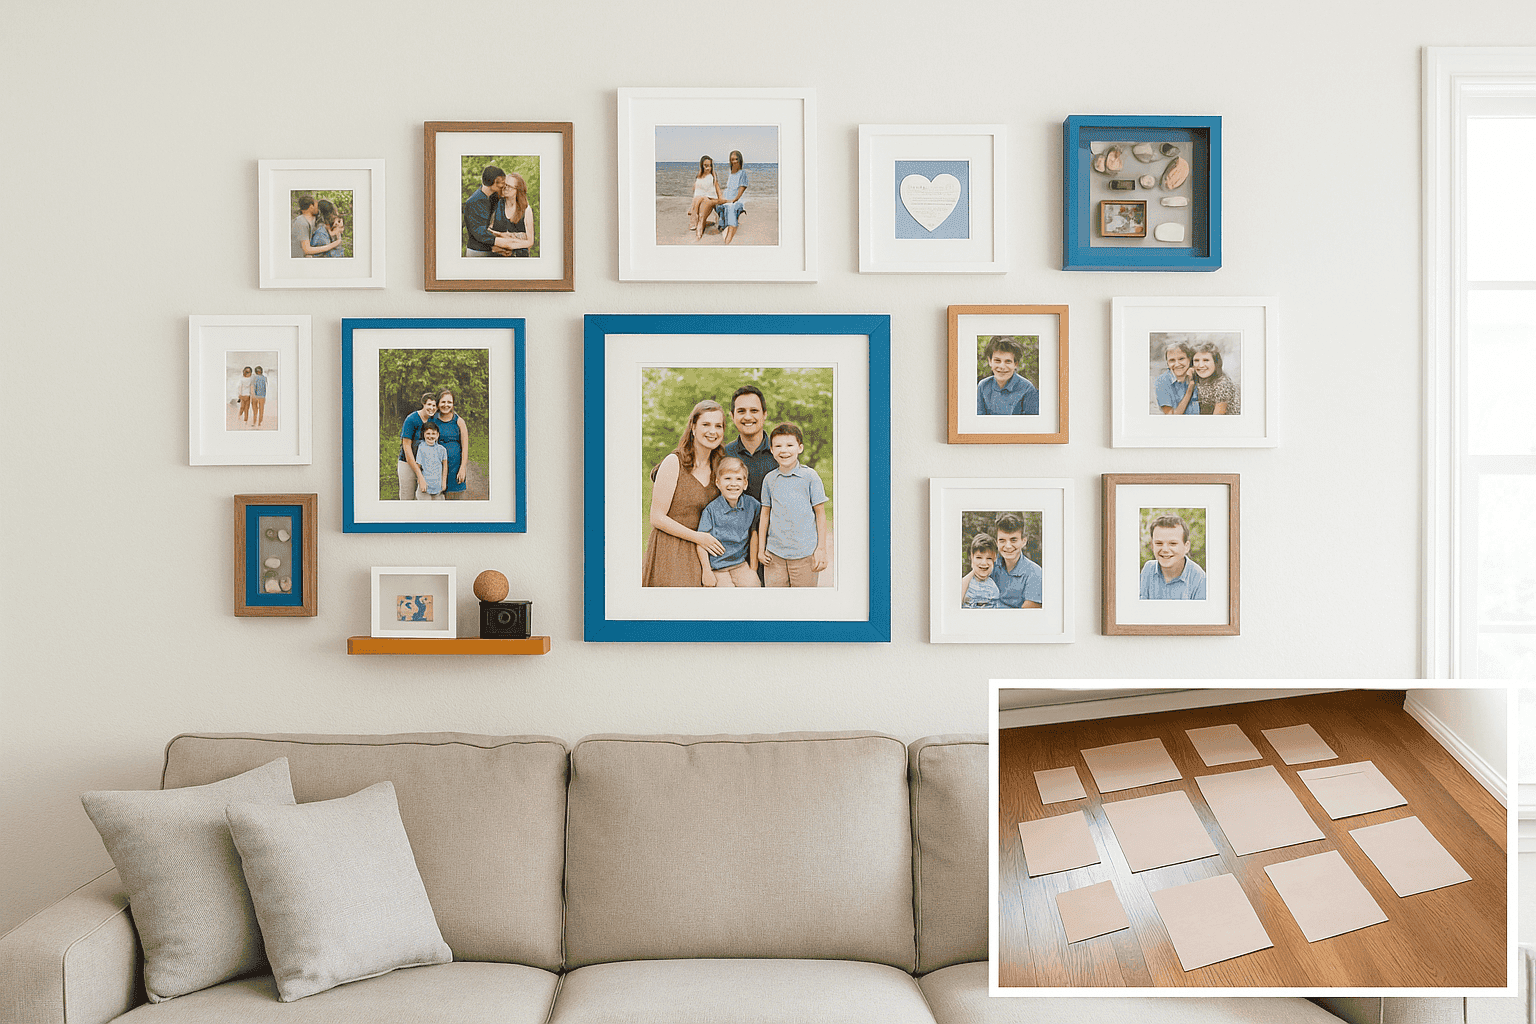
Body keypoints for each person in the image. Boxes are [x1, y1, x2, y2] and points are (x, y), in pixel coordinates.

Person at [641, 400, 726, 587]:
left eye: (718, 426)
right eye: (706, 424)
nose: (713, 431)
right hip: (671, 550)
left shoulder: (720, 468)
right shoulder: (674, 462)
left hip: (703, 554)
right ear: (693, 427)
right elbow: (656, 517)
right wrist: (698, 537)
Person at [758, 422, 828, 588]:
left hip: (805, 555)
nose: (784, 450)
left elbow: (820, 514)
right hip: (774, 556)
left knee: (803, 606)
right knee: (776, 605)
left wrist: (821, 549)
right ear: (772, 450)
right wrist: (762, 549)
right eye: (778, 446)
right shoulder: (769, 479)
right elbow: (765, 514)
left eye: (790, 445)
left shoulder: (810, 477)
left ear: (800, 448)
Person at [695, 457, 762, 588]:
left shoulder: (752, 504)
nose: (733, 483)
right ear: (718, 483)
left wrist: (753, 568)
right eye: (727, 479)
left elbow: (761, 525)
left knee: (754, 587)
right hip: (717, 568)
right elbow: (701, 542)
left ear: (745, 484)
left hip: (740, 565)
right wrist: (706, 571)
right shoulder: (711, 510)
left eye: (738, 479)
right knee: (725, 597)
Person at [720, 385, 776, 501]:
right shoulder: (723, 455)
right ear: (732, 416)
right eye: (741, 411)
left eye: (754, 410)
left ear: (764, 414)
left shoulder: (781, 453)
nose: (748, 416)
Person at [1139, 514, 1207, 600]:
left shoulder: (1200, 580)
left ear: (1186, 546)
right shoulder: (1148, 570)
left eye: (1173, 544)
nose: (1165, 549)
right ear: (1152, 546)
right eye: (1159, 543)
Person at [976, 337, 1039, 416]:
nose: (1002, 366)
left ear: (1015, 364)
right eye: (997, 360)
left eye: (1008, 361)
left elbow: (1032, 424)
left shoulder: (1028, 389)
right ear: (990, 361)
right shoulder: (983, 386)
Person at [992, 512, 1043, 609]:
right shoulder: (991, 565)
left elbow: (1026, 615)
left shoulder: (1035, 573)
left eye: (1013, 540)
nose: (1008, 546)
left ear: (1024, 541)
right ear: (996, 543)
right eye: (1002, 540)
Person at [396, 391, 437, 501]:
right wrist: (418, 473)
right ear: (423, 404)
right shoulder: (411, 419)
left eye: (434, 405)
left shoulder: (433, 419)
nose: (432, 408)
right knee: (407, 496)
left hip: (425, 464)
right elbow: (406, 447)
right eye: (429, 404)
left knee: (423, 496)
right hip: (407, 462)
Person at [432, 389, 470, 499]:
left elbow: (465, 447)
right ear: (438, 403)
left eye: (449, 402)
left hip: (455, 468)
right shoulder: (432, 420)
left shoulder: (459, 422)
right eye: (443, 402)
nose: (446, 405)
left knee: (455, 505)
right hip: (437, 469)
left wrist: (462, 468)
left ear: (453, 404)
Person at [463, 165, 505, 256]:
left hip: (488, 249)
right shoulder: (475, 201)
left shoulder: (491, 197)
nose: (503, 185)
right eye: (501, 182)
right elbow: (480, 233)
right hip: (478, 252)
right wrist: (507, 243)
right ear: (494, 182)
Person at [491, 173, 534, 257]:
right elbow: (487, 232)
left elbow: (530, 242)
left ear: (517, 190)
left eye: (509, 186)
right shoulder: (496, 205)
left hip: (519, 258)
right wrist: (517, 237)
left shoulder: (526, 209)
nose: (505, 188)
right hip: (497, 257)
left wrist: (508, 244)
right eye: (504, 185)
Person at [1191, 344, 1239, 415]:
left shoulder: (1222, 383)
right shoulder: (1195, 378)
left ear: (1216, 363)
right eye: (1196, 360)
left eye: (1206, 360)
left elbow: (1217, 418)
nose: (1201, 365)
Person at [1155, 341, 1200, 415]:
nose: (1177, 364)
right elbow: (1172, 416)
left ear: (1189, 359)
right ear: (1168, 363)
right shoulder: (1162, 381)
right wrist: (1190, 388)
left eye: (1181, 359)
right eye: (1172, 360)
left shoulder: (1196, 374)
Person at [959, 533, 1001, 608]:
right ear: (972, 556)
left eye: (989, 558)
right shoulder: (965, 584)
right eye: (979, 557)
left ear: (994, 559)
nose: (984, 563)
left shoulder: (993, 587)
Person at [716, 150, 749, 244]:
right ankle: (724, 221)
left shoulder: (742, 173)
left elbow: (741, 190)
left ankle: (728, 237)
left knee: (730, 208)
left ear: (740, 160)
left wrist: (732, 200)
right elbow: (728, 189)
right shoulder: (731, 174)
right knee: (714, 203)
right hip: (726, 199)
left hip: (734, 200)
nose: (734, 161)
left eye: (736, 159)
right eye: (732, 160)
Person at [687, 155, 722, 241]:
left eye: (710, 165)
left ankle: (698, 234)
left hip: (708, 200)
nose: (708, 168)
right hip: (699, 202)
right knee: (698, 200)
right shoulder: (699, 176)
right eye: (705, 165)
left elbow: (716, 190)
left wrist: (720, 200)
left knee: (701, 217)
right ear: (701, 166)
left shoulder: (713, 176)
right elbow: (695, 191)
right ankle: (695, 215)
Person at [414, 423, 449, 500]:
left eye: (433, 434)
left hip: (438, 486)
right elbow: (418, 466)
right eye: (428, 433)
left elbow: (445, 466)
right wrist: (420, 481)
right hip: (425, 486)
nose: (431, 436)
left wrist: (444, 482)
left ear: (437, 435)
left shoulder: (442, 449)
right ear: (424, 434)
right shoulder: (421, 447)